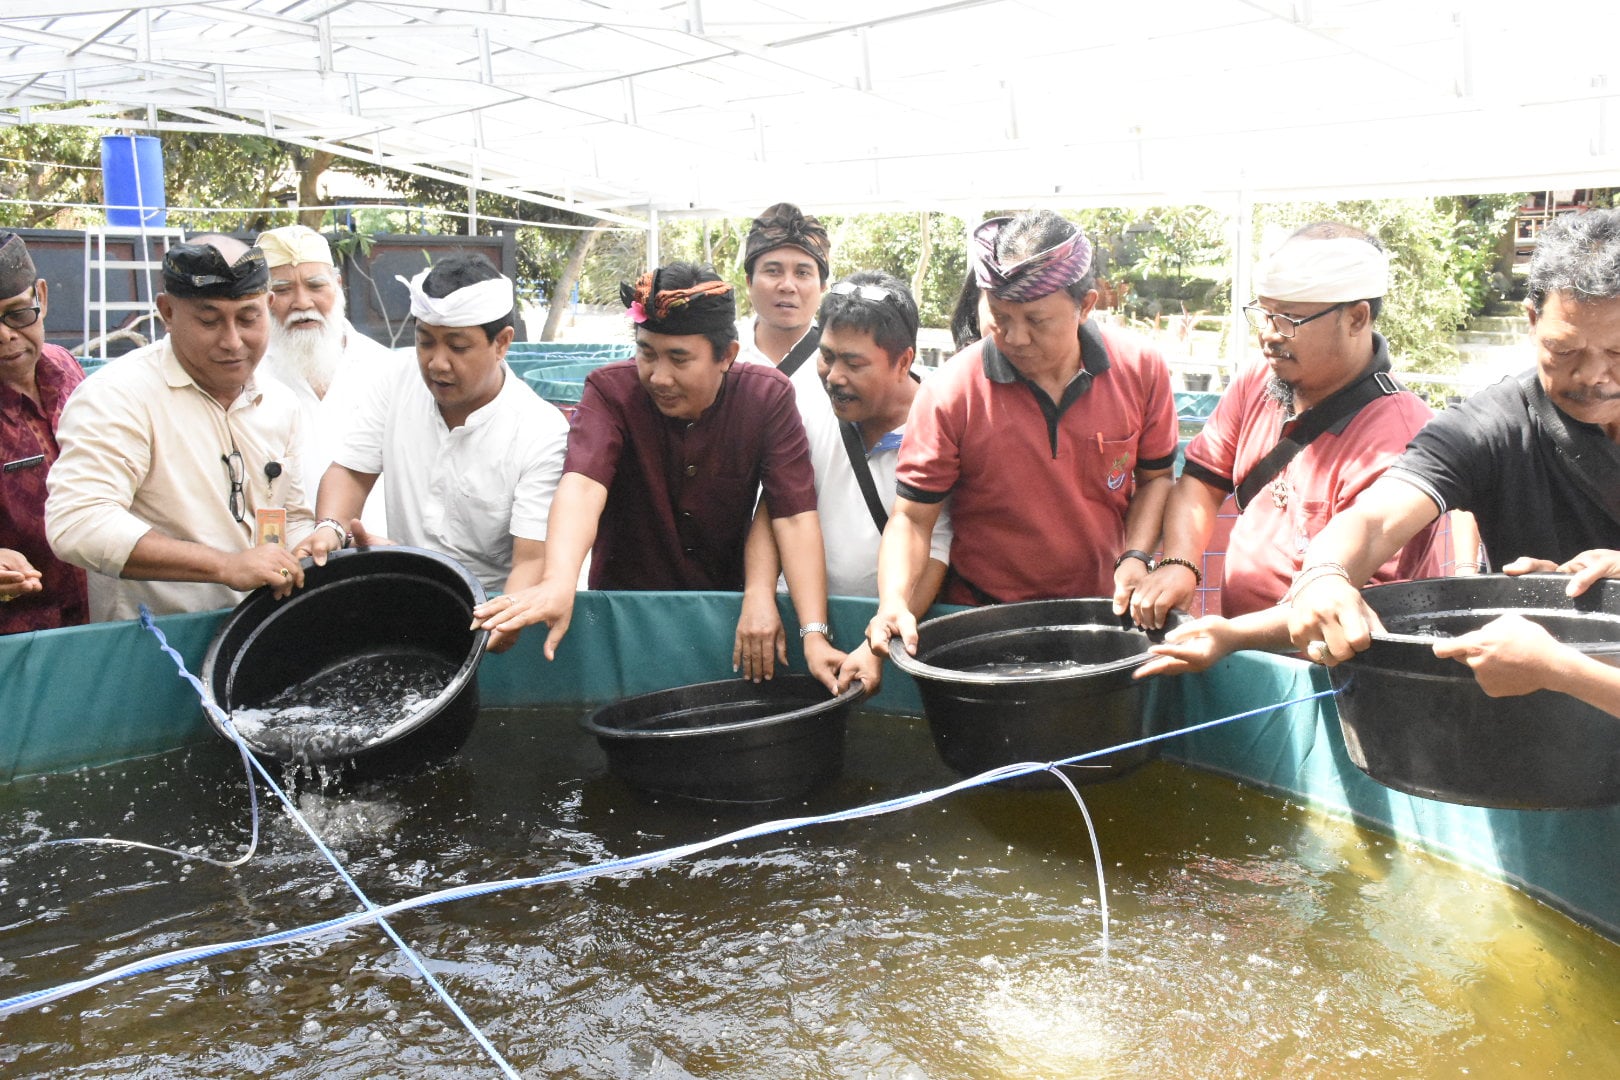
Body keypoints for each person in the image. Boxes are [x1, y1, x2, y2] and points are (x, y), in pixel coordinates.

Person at [470, 262, 846, 692]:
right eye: (647, 353)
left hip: (724, 608)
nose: (659, 376)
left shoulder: (767, 396)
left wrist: (812, 633)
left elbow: (793, 513)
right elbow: (582, 484)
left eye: (679, 359)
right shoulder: (610, 392)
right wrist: (558, 580)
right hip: (625, 613)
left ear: (727, 355)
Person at [1288, 207, 1620, 668]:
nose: (1593, 376)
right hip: (1546, 710)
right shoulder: (1494, 425)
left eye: (1618, 352)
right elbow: (1373, 522)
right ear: (1531, 320)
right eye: (1563, 350)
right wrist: (1324, 574)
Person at [867, 210, 1178, 659]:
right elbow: (913, 519)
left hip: (1099, 612)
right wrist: (893, 600)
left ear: (1085, 306)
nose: (1014, 337)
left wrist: (1134, 556)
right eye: (998, 316)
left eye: (1036, 320)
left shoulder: (1140, 369)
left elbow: (1155, 480)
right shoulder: (951, 391)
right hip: (983, 618)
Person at [1130, 222, 1444, 630]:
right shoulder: (1258, 379)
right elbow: (1201, 481)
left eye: (1289, 319)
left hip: (1333, 666)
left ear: (1356, 318)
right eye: (1263, 313)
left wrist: (1229, 638)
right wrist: (1179, 561)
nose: (1268, 335)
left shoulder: (1398, 435)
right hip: (1240, 645)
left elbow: (1350, 608)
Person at [293, 252, 568, 653]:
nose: (437, 363)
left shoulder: (540, 431)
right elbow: (351, 472)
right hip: (403, 594)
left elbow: (530, 559)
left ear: (502, 343)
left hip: (489, 607)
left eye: (458, 346)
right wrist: (329, 528)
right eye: (425, 342)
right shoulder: (396, 377)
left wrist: (502, 620)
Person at [47, 235, 311, 620]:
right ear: (167, 312)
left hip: (257, 634)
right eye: (209, 320)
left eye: (248, 318)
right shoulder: (117, 396)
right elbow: (78, 523)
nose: (233, 341)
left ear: (269, 307)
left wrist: (321, 545)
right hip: (155, 646)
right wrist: (224, 565)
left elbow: (292, 517)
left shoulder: (280, 403)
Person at [742, 271, 953, 691]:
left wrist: (877, 642)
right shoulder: (802, 405)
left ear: (904, 361)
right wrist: (759, 594)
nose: (834, 376)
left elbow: (935, 550)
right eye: (827, 355)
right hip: (799, 618)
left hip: (888, 627)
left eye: (854, 363)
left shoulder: (941, 424)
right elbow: (776, 507)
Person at [255, 224, 395, 534]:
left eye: (316, 285)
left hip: (381, 550)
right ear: (262, 298)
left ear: (338, 285)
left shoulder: (385, 368)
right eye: (282, 289)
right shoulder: (249, 377)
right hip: (289, 562)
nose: (302, 302)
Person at [0, 231, 89, 633]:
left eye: (18, 314)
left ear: (43, 297)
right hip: (20, 640)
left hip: (101, 618)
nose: (6, 336)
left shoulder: (67, 368)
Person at [735, 201, 831, 399]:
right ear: (749, 281)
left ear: (822, 286)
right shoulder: (722, 355)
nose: (787, 286)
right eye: (773, 271)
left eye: (802, 273)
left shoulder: (840, 364)